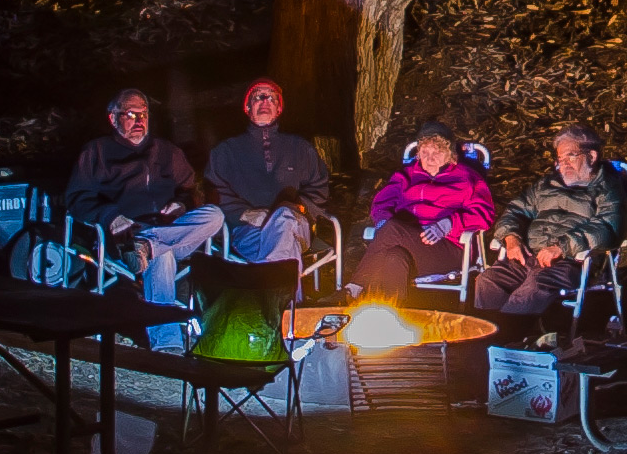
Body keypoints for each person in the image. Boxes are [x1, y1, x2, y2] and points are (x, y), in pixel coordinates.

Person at [64, 88, 224, 314]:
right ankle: (167, 342)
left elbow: (188, 189)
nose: (139, 121)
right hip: (126, 235)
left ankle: (149, 246)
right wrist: (111, 216)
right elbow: (77, 198)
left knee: (215, 215)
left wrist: (182, 204)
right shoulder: (97, 152)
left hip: (172, 230)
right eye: (130, 115)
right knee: (162, 254)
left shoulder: (167, 151)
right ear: (113, 118)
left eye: (143, 114)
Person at [480, 123, 627, 325]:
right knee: (489, 279)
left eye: (571, 156)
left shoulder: (608, 188)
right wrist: (511, 238)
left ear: (591, 157)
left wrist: (561, 247)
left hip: (570, 261)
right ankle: (485, 333)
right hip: (529, 256)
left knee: (535, 286)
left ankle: (509, 336)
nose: (563, 164)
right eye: (560, 158)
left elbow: (607, 227)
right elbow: (515, 210)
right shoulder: (546, 185)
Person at [349, 129, 497, 301]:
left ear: (450, 154)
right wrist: (382, 223)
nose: (430, 158)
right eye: (424, 152)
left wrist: (449, 224)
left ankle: (354, 288)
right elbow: (381, 203)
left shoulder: (468, 178)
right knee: (394, 257)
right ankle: (395, 316)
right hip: (408, 240)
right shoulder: (406, 175)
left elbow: (483, 214)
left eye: (437, 152)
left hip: (449, 248)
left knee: (393, 229)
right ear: (418, 153)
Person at [203, 77, 333, 271]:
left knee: (285, 220)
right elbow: (214, 192)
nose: (265, 102)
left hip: (296, 226)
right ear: (247, 107)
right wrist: (243, 213)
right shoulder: (226, 151)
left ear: (279, 108)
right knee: (284, 245)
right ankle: (285, 299)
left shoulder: (300, 148)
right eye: (258, 97)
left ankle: (270, 295)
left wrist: (294, 209)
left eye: (271, 98)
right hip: (249, 230)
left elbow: (319, 188)